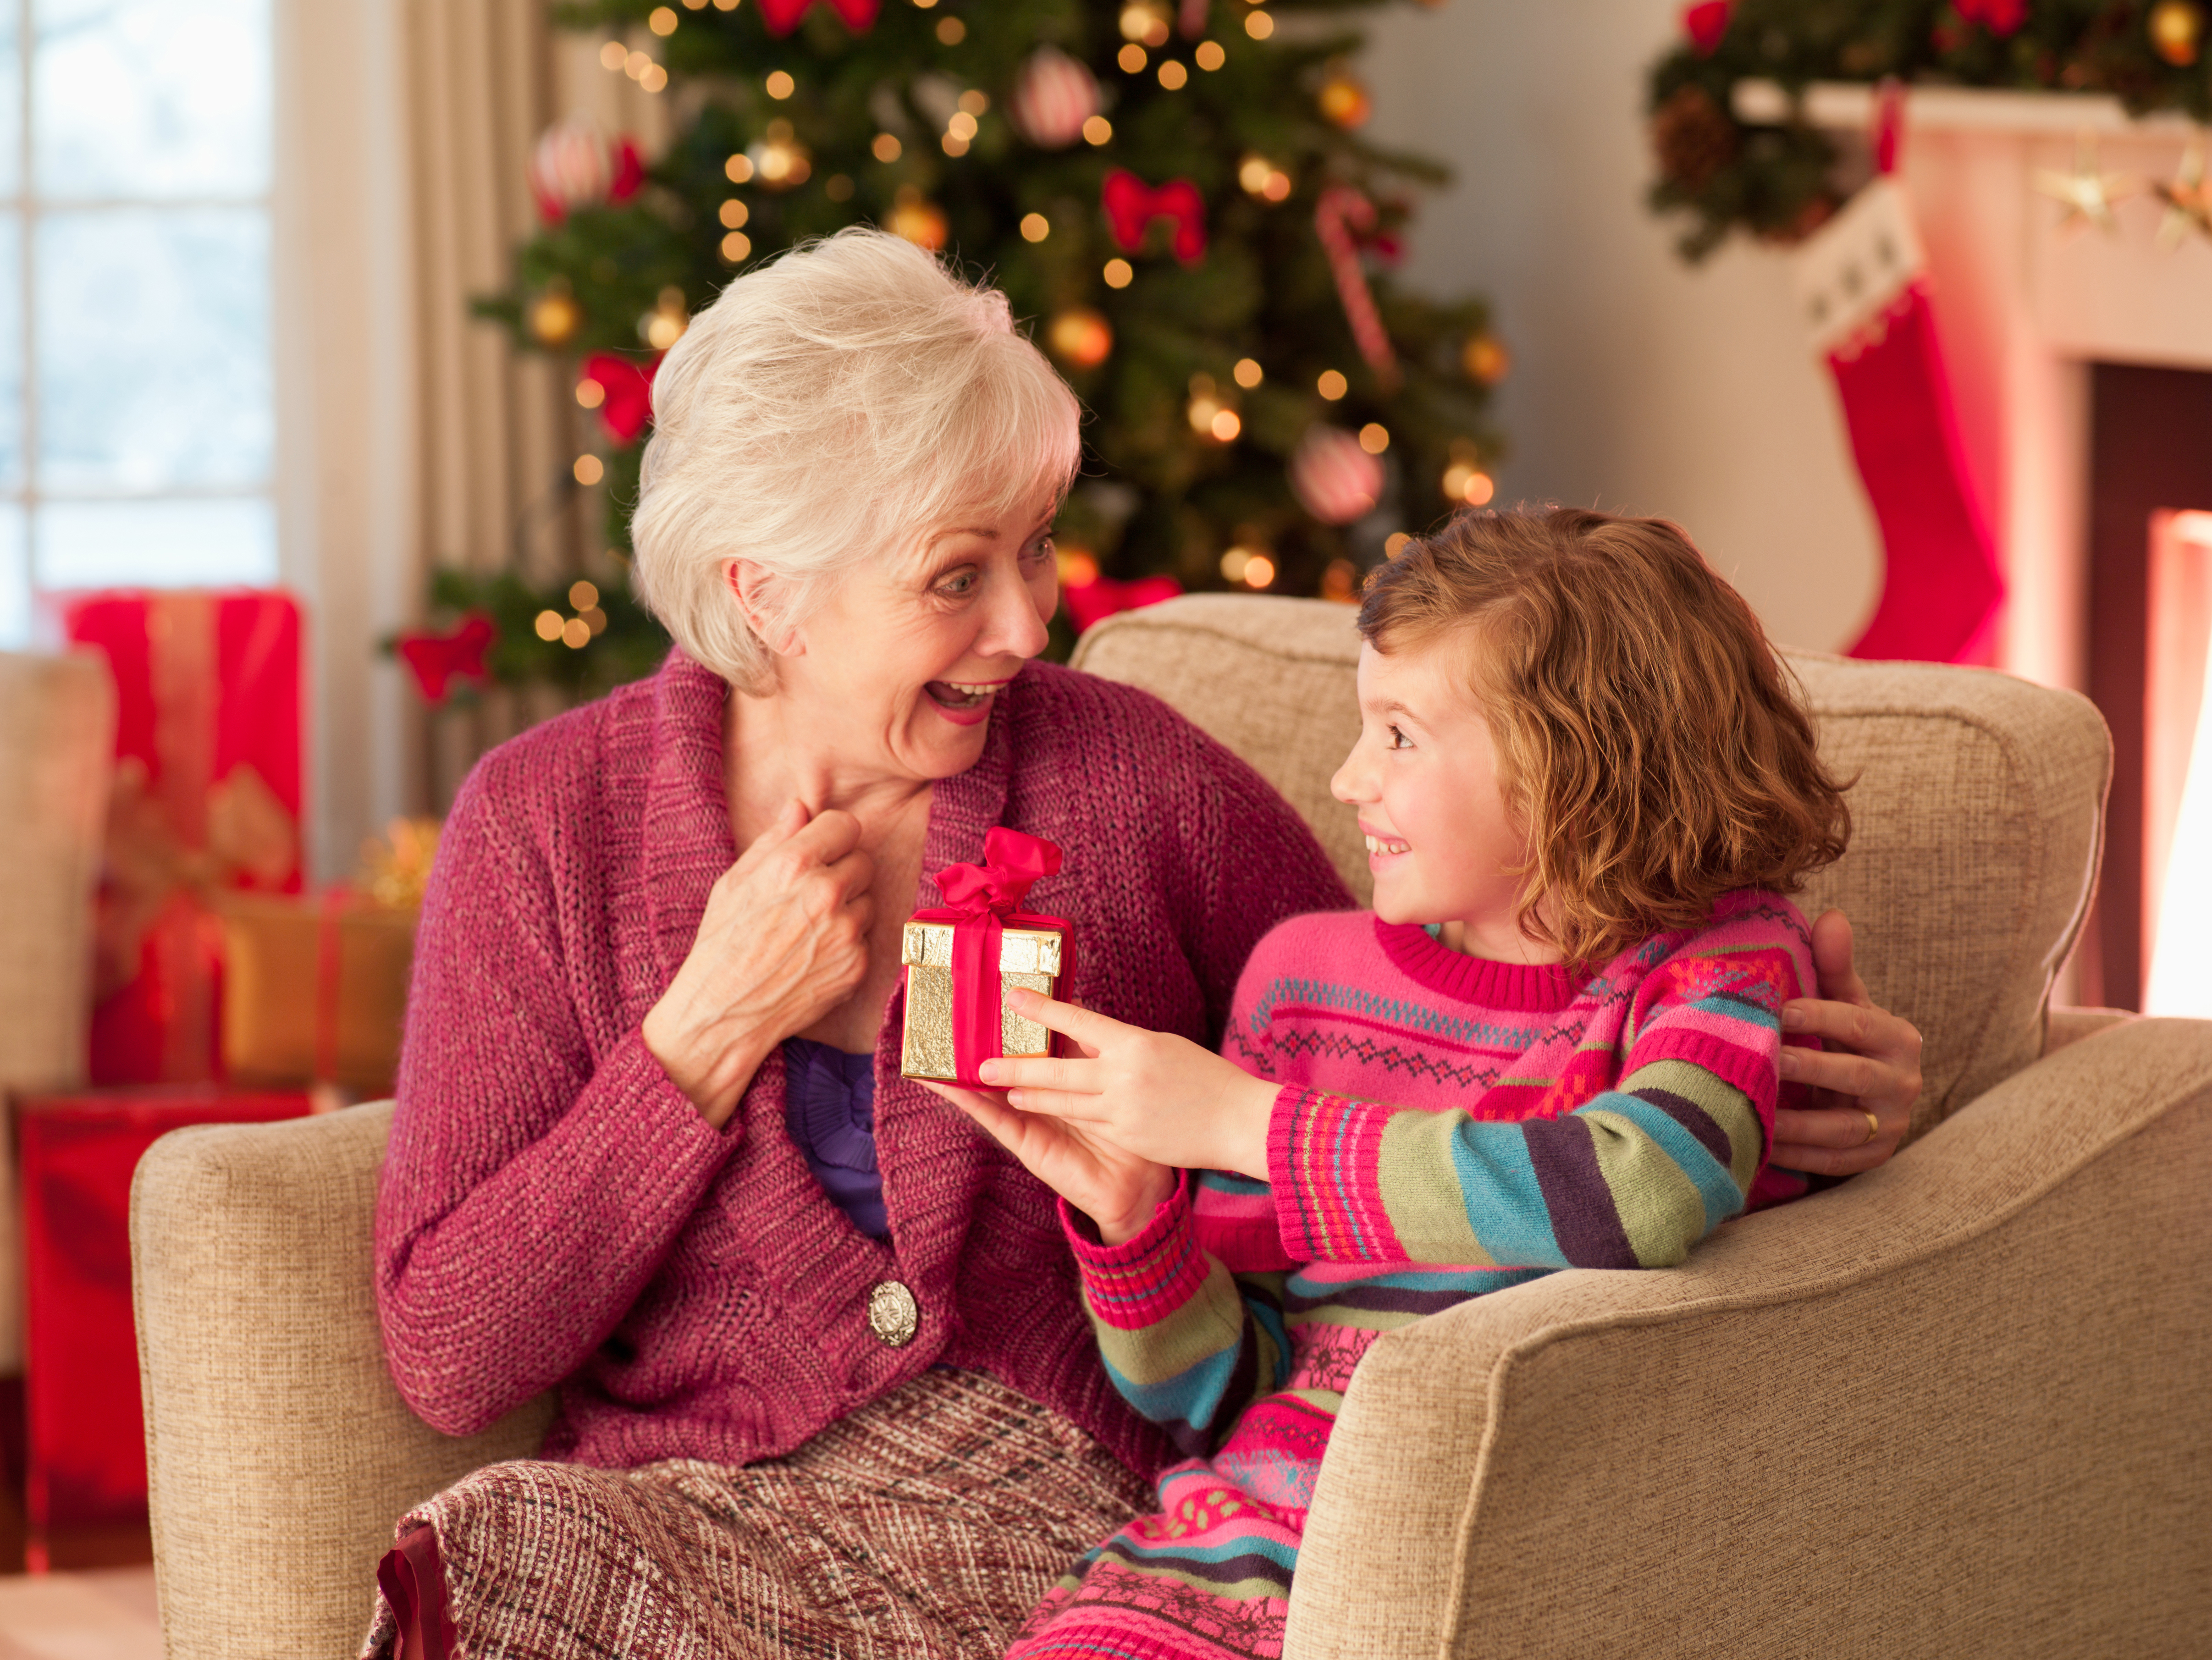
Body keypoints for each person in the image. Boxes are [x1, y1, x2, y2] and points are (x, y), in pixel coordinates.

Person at [363, 233, 1923, 1660]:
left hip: (1059, 1509)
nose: (1028, 628)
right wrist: (694, 1038)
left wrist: (1773, 1075)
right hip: (682, 1505)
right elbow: (447, 1355)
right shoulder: (542, 827)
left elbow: (1437, 1023)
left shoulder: (1132, 784)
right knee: (500, 1551)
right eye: (953, 577)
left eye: (1032, 549)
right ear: (762, 592)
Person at [944, 507, 1853, 1660]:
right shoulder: (1301, 981)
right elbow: (1226, 1394)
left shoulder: (1716, 966)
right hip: (1233, 1559)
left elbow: (1644, 1186)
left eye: (1400, 735)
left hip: (1504, 1556)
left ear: (1571, 759)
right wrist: (1130, 1225)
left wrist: (1244, 1121)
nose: (1346, 775)